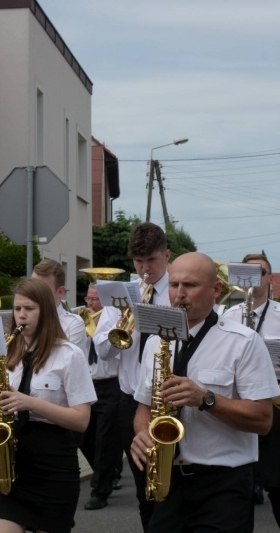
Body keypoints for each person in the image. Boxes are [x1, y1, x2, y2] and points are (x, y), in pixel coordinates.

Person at [131, 252, 280, 533]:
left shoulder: (244, 342)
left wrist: (206, 399)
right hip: (169, 480)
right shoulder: (156, 342)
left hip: (223, 485)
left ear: (216, 290)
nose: (179, 295)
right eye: (174, 285)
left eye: (190, 285)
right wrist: (142, 433)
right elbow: (144, 408)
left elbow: (263, 420)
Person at [0, 277, 96, 533]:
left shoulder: (69, 355)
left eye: (29, 309)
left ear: (45, 311)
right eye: (17, 309)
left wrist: (30, 403)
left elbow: (81, 420)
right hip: (14, 465)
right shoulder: (9, 353)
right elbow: (1, 404)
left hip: (54, 465)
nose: (21, 316)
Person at [93, 220, 171, 532]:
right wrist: (128, 322)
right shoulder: (122, 295)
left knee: (169, 486)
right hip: (129, 403)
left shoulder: (177, 292)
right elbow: (102, 351)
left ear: (166, 255)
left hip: (167, 402)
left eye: (151, 260)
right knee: (144, 489)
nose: (145, 270)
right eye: (138, 262)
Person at [223, 253, 280, 533]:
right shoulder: (226, 317)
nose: (255, 276)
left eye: (261, 272)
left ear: (270, 279)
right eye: (248, 272)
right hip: (238, 404)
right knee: (239, 479)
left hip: (274, 403)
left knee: (278, 482)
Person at [79, 282, 123, 511]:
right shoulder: (81, 320)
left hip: (111, 383)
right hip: (87, 385)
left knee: (105, 439)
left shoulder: (114, 319)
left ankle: (100, 491)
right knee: (85, 437)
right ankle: (108, 470)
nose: (89, 303)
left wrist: (99, 330)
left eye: (94, 299)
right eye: (88, 298)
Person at [32, 259, 88, 357]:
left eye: (42, 289)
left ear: (60, 292)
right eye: (32, 286)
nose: (33, 293)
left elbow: (61, 361)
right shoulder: (22, 317)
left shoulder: (73, 324)